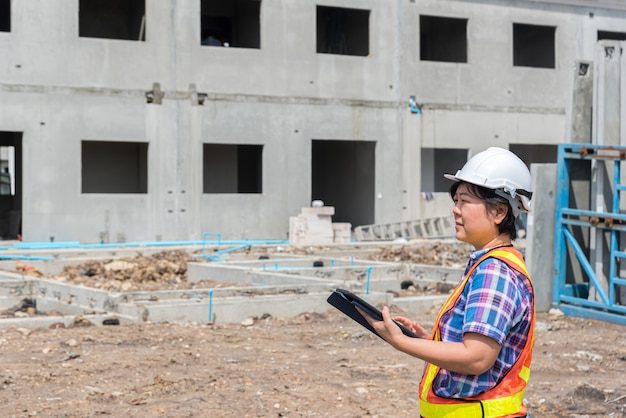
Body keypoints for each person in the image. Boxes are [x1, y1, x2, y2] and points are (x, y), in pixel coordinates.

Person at [358, 147, 535, 418]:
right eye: (456, 201)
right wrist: (427, 340)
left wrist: (401, 343)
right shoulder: (488, 264)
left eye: (465, 201)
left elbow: (477, 358)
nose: (455, 210)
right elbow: (481, 350)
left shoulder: (494, 272)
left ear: (499, 212)